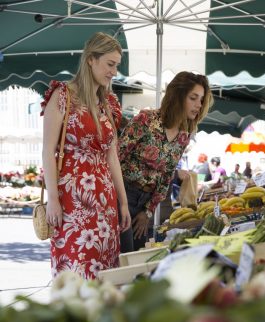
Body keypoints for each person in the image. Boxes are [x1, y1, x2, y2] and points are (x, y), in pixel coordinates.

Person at [41, 32, 131, 279]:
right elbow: (48, 151)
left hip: (105, 202)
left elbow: (112, 156)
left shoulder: (109, 103)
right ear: (91, 59)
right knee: (77, 270)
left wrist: (122, 202)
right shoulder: (63, 96)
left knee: (105, 273)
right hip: (73, 202)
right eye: (110, 64)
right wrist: (53, 200)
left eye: (116, 66)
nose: (114, 72)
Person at [119, 71, 213, 252]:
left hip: (145, 204)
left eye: (201, 100)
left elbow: (166, 175)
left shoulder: (183, 136)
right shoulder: (145, 120)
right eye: (193, 98)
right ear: (178, 96)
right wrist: (120, 201)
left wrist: (147, 211)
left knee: (137, 255)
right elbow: (116, 158)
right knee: (122, 256)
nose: (199, 105)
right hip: (121, 195)